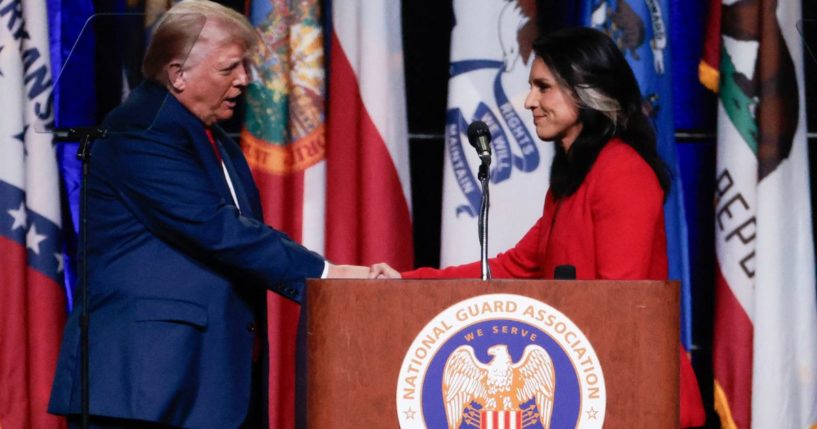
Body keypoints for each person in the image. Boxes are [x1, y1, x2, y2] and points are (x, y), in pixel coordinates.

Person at [48, 1, 375, 427]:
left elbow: (239, 232)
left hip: (200, 383)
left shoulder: (206, 135)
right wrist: (327, 275)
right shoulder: (141, 132)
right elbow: (217, 230)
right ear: (178, 74)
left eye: (244, 67)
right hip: (146, 387)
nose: (244, 80)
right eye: (229, 68)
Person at [372, 27, 706, 427]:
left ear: (586, 90)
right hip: (595, 395)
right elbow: (511, 267)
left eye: (543, 87)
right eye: (532, 87)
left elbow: (621, 308)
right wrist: (401, 284)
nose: (530, 102)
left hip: (633, 400)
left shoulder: (621, 171)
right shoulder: (573, 179)